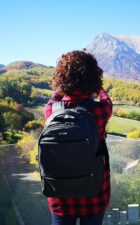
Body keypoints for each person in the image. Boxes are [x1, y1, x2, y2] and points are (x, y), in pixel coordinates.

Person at [43, 50, 112, 225]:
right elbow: (107, 101)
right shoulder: (100, 111)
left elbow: (55, 96)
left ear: (61, 78)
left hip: (60, 197)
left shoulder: (51, 111)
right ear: (94, 79)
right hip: (94, 194)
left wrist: (62, 87)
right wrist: (99, 87)